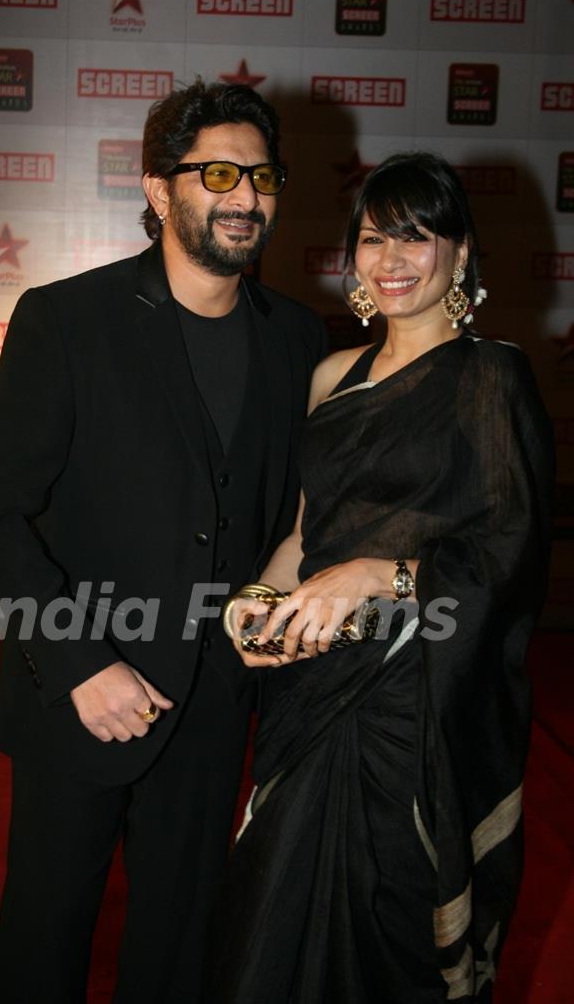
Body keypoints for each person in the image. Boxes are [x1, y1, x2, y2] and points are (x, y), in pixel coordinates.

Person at [0, 79, 327, 1004]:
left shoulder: (297, 341)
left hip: (212, 706)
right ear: (161, 191)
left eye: (262, 175)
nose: (246, 196)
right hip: (78, 694)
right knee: (42, 942)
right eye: (217, 173)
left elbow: (295, 513)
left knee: (179, 951)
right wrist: (82, 663)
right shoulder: (66, 320)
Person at [213, 152, 555, 1003]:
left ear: (462, 253)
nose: (391, 259)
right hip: (312, 690)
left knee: (393, 934)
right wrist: (255, 600)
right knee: (269, 915)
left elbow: (510, 550)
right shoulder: (334, 377)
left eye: (417, 237)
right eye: (373, 238)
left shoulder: (492, 377)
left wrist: (378, 575)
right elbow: (303, 532)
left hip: (416, 711)